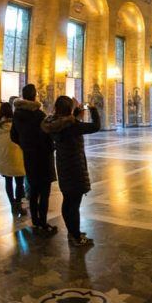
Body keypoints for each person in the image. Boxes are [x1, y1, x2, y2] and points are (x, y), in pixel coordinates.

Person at [41, 96, 100, 246]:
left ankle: (72, 232)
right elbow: (96, 126)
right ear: (69, 109)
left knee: (68, 201)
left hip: (62, 166)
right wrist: (92, 109)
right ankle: (76, 237)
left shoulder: (53, 123)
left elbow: (66, 121)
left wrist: (75, 113)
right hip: (75, 168)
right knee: (74, 204)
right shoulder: (73, 126)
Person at [11, 84, 57, 235]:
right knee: (44, 192)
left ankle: (35, 221)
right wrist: (51, 147)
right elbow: (48, 137)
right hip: (43, 157)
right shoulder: (39, 115)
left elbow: (13, 136)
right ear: (34, 96)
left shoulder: (17, 114)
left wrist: (25, 145)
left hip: (29, 157)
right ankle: (43, 223)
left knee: (33, 190)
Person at [0, 102, 26, 217]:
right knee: (19, 183)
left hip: (3, 159)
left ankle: (12, 204)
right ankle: (18, 205)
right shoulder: (16, 124)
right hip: (17, 158)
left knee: (8, 182)